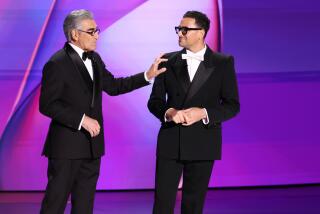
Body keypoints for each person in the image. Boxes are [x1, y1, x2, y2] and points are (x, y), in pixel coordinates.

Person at [39, 9, 166, 214]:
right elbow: (47, 104)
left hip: (92, 147)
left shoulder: (95, 59)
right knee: (55, 204)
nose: (97, 35)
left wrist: (147, 75)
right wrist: (82, 120)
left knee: (84, 206)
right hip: (66, 148)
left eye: (97, 30)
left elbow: (114, 86)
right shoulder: (57, 63)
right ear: (75, 34)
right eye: (92, 31)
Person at [148, 11, 240, 214]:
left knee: (193, 204)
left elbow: (232, 105)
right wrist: (169, 111)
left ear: (201, 32)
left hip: (203, 142)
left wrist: (203, 113)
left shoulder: (222, 62)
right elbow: (154, 102)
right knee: (162, 204)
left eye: (185, 29)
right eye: (179, 29)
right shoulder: (166, 61)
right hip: (171, 141)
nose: (180, 33)